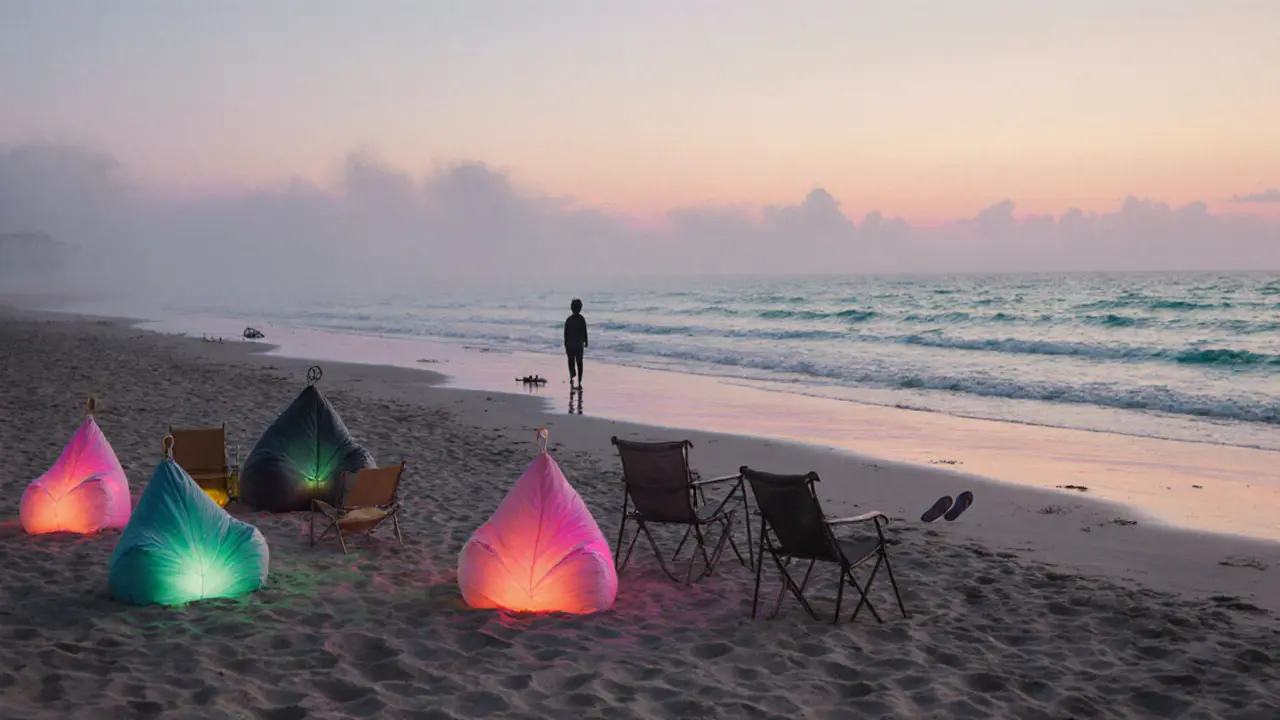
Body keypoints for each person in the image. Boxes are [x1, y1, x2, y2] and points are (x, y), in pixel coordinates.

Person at [564, 298, 588, 388]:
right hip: (578, 344)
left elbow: (565, 332)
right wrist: (586, 341)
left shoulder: (569, 319)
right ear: (580, 308)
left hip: (570, 344)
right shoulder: (581, 319)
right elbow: (584, 331)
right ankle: (579, 381)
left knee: (571, 361)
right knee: (579, 363)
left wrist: (565, 342)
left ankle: (571, 375)